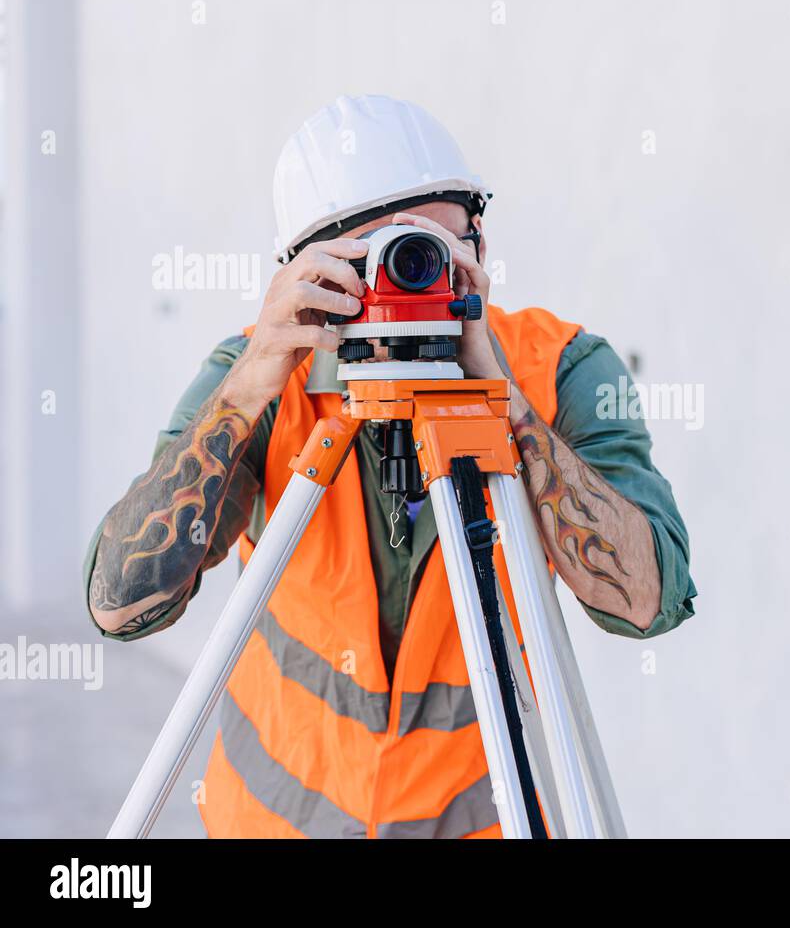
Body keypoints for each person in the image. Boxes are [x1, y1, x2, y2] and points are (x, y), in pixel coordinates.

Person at [84, 94, 696, 838]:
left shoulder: (559, 370)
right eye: (379, 260)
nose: (416, 280)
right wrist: (255, 376)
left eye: (435, 250)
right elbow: (119, 602)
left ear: (479, 241)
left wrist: (499, 401)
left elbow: (646, 601)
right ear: (308, 273)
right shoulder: (261, 380)